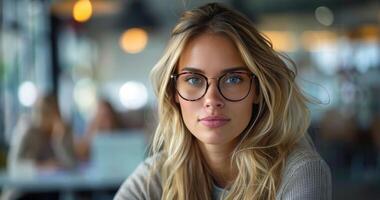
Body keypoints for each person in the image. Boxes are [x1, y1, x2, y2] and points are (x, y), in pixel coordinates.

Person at [115, 3, 331, 200]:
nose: (211, 99)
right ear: (174, 93)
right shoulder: (155, 178)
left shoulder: (298, 171)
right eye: (193, 79)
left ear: (258, 89)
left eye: (232, 79)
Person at [4, 94, 76, 199]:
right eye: (41, 111)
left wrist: (58, 142)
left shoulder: (63, 130)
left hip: (54, 191)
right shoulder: (27, 130)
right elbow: (13, 166)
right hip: (23, 192)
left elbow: (72, 165)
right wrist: (42, 168)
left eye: (51, 112)